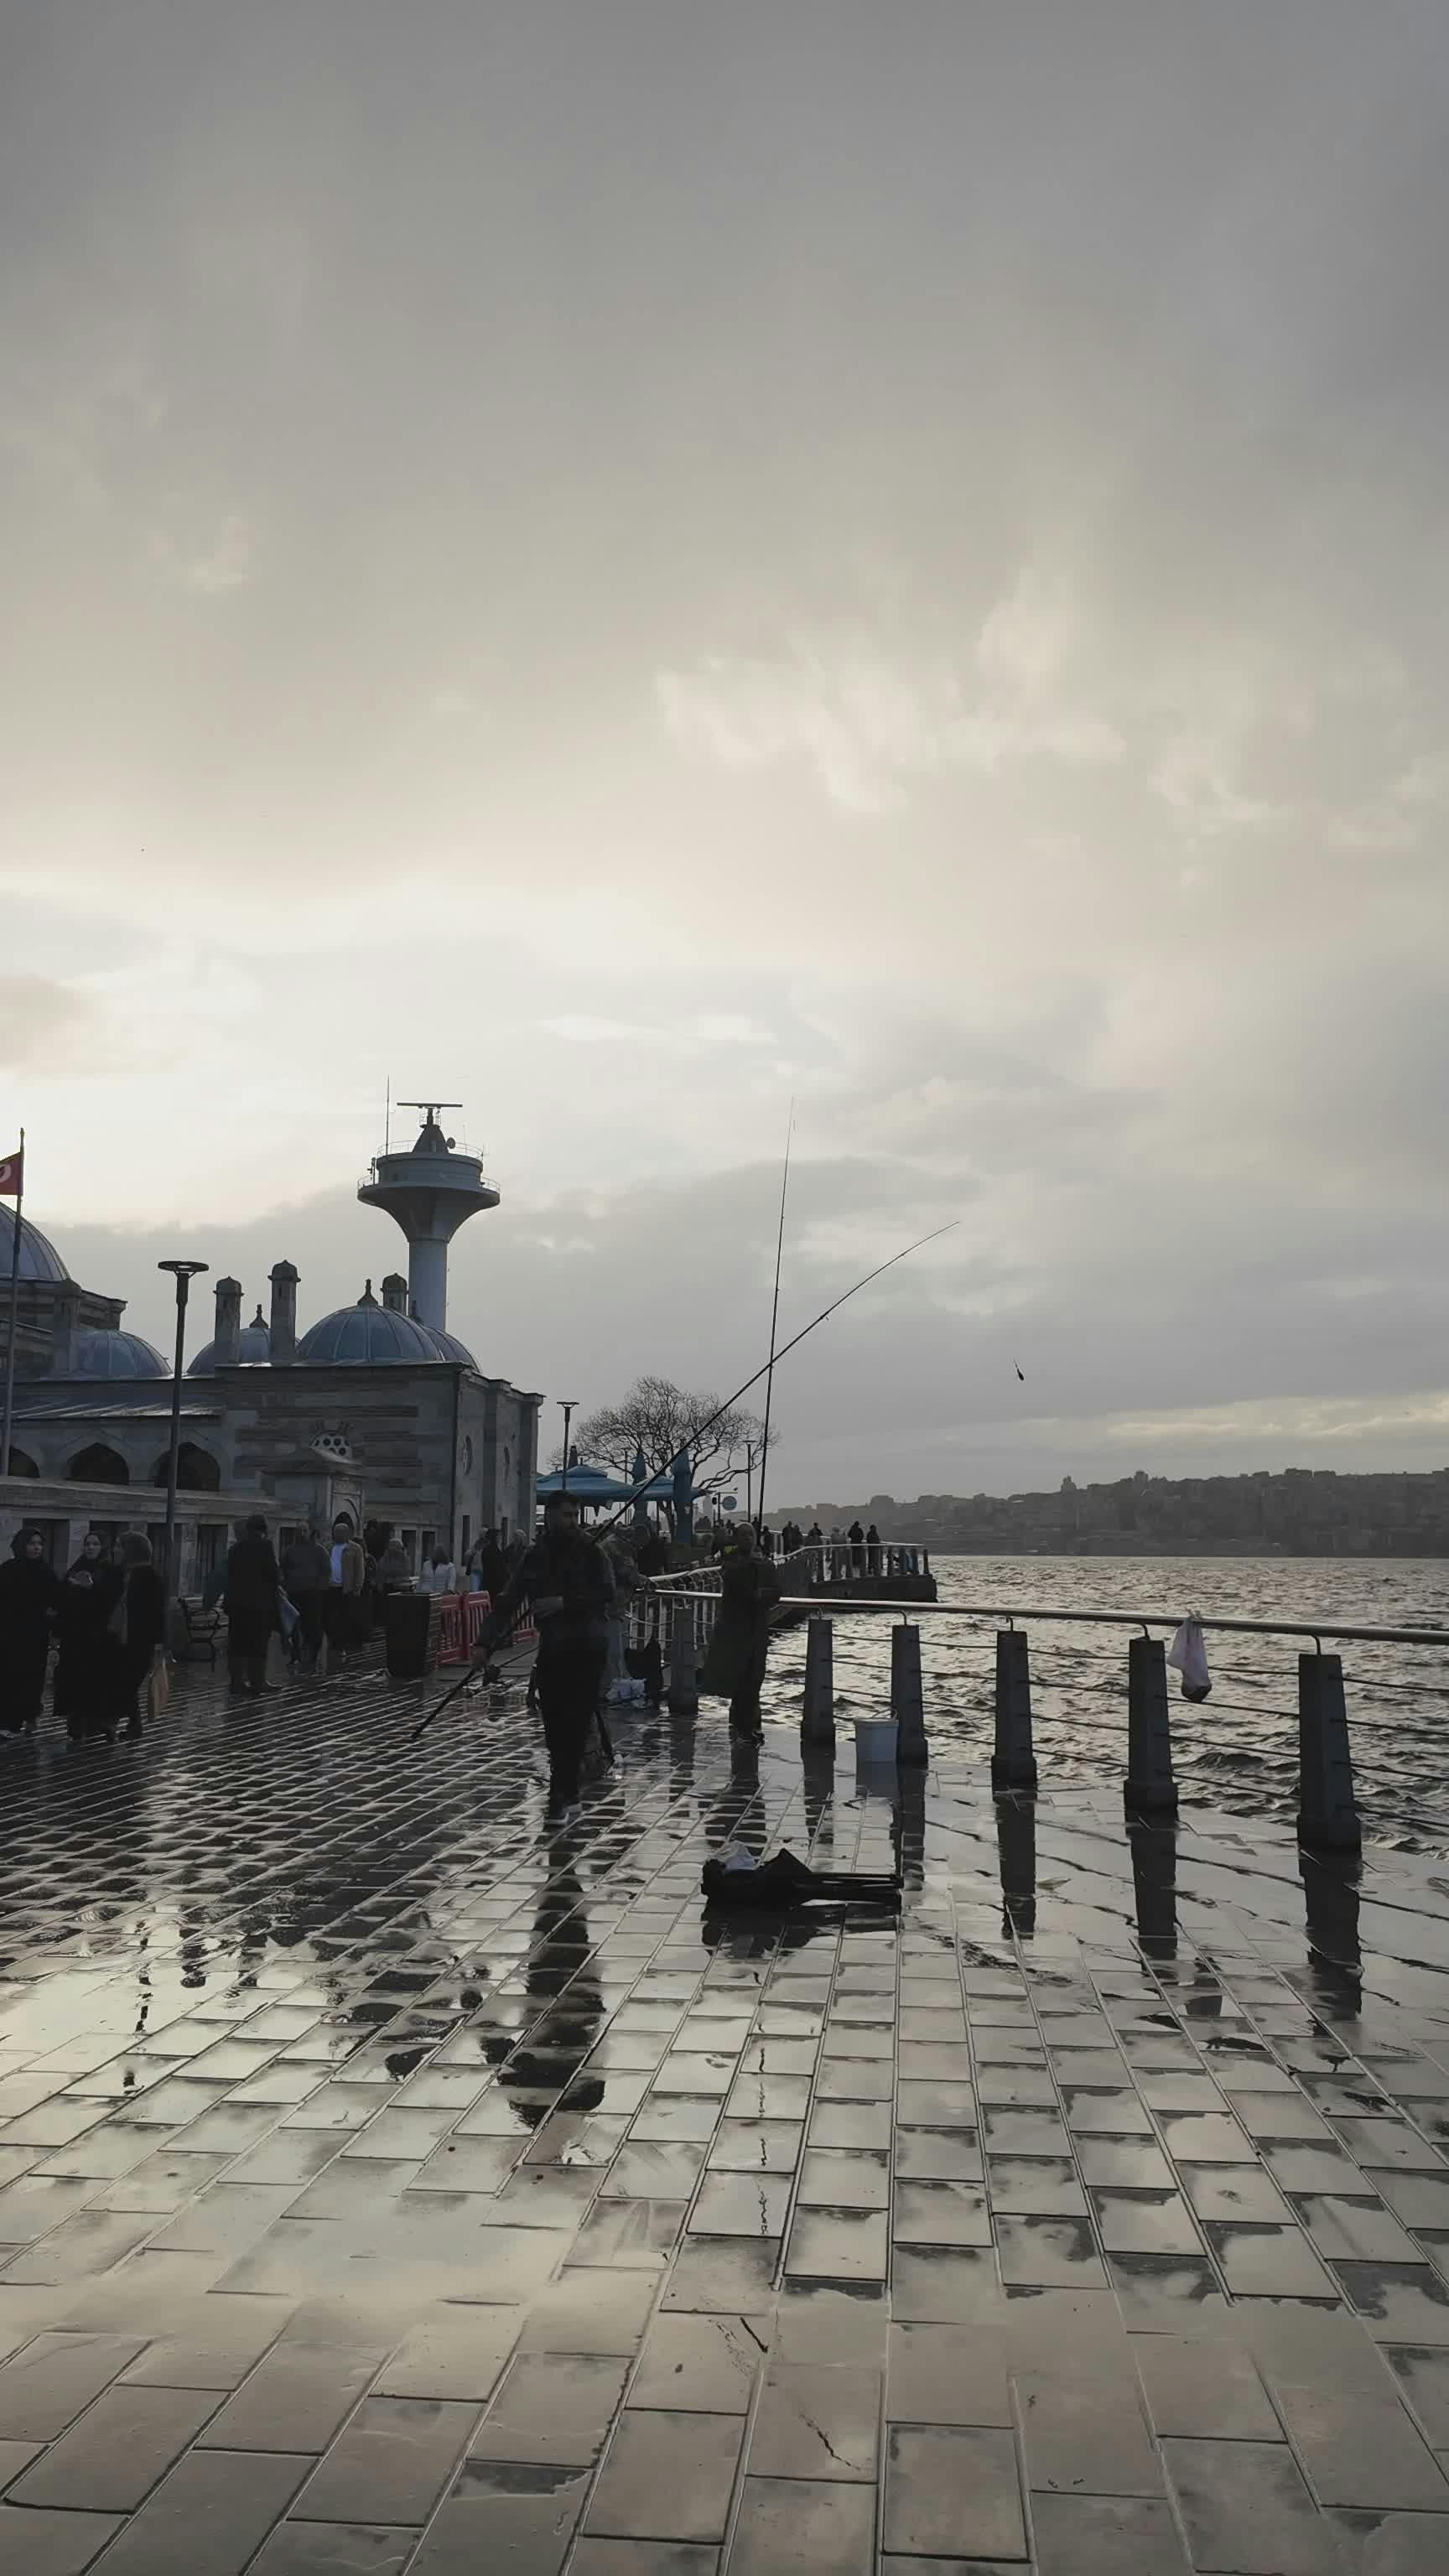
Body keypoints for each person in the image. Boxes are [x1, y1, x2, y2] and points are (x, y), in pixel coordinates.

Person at [475, 1488, 615, 1823]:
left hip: (588, 1646)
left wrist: (564, 1602)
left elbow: (606, 1592)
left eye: (575, 1515)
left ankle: (561, 1792)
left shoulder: (592, 1551)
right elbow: (509, 1601)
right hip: (554, 1646)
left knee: (576, 1720)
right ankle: (566, 1789)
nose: (572, 1522)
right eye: (566, 1515)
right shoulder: (535, 1557)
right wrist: (484, 1643)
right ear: (550, 1515)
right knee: (553, 1721)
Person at [699, 1521, 782, 1749]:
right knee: (740, 1679)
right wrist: (749, 1566)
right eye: (743, 1535)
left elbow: (777, 1590)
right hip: (736, 1630)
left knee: (755, 1678)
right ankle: (742, 1727)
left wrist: (762, 1595)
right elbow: (731, 1577)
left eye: (751, 1535)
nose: (748, 1539)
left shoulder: (765, 1563)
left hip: (757, 1629)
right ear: (736, 1539)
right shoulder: (731, 1559)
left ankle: (751, 1725)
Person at [0, 1529, 60, 1737]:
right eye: (31, 1543)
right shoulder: (7, 1570)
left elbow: (57, 1601)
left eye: (39, 1544)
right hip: (9, 1633)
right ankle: (9, 1721)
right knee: (9, 1676)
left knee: (32, 1677)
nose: (36, 1547)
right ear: (21, 1545)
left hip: (35, 1634)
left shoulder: (46, 1572)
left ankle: (31, 1715)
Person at [106, 1534, 167, 1737]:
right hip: (121, 1639)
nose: (115, 1551)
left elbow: (157, 1613)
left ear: (131, 1551)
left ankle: (112, 1720)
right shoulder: (122, 1574)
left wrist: (158, 1644)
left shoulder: (149, 1577)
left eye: (119, 1547)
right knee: (126, 1682)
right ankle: (134, 1725)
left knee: (127, 1682)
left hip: (141, 1641)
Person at [224, 1514, 283, 1697]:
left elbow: (230, 1574)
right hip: (258, 1605)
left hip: (236, 1605)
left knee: (237, 1644)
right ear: (263, 1529)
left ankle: (236, 1682)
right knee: (258, 1644)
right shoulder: (265, 1547)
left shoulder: (235, 1549)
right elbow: (273, 1575)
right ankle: (258, 1681)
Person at [53, 1531, 108, 1724]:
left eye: (95, 1544)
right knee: (73, 1677)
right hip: (74, 1634)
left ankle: (95, 1718)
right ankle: (76, 1718)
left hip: (97, 1634)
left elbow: (108, 1601)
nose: (90, 1548)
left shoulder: (107, 1570)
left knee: (93, 1677)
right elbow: (62, 1600)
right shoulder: (76, 1568)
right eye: (87, 1544)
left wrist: (90, 1589)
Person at [281, 1524, 330, 1672]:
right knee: (294, 1624)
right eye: (299, 1531)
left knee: (313, 1624)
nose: (301, 1534)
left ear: (310, 1532)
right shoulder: (290, 1551)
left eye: (304, 1531)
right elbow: (283, 1569)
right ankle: (295, 1655)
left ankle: (313, 1654)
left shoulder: (319, 1551)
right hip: (294, 1592)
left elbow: (326, 1570)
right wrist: (286, 1584)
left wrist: (320, 1588)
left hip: (312, 1593)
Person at [324, 1518, 366, 1664]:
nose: (337, 1535)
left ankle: (340, 1645)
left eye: (341, 1532)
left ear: (347, 1534)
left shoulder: (355, 1549)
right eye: (336, 1532)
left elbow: (360, 1569)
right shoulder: (328, 1547)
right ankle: (333, 1640)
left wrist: (357, 1587)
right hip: (330, 1587)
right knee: (329, 1617)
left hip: (346, 1588)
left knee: (344, 1618)